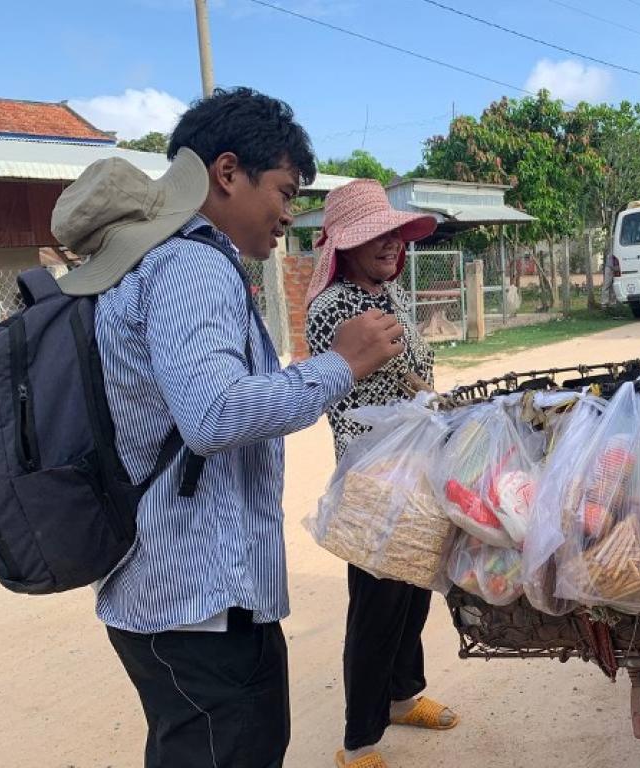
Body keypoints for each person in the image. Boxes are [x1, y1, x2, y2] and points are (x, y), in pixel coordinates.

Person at [53, 87, 406, 768]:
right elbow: (213, 414)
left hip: (173, 596)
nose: (288, 213)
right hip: (199, 603)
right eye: (283, 189)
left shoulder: (150, 263)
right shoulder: (189, 264)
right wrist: (340, 365)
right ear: (226, 173)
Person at [305, 180, 460, 768]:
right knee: (375, 603)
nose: (392, 246)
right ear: (345, 245)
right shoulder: (336, 307)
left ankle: (401, 696)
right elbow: (380, 376)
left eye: (395, 235)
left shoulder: (385, 296)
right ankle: (359, 740)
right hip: (372, 476)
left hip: (411, 462)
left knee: (412, 587)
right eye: (377, 236)